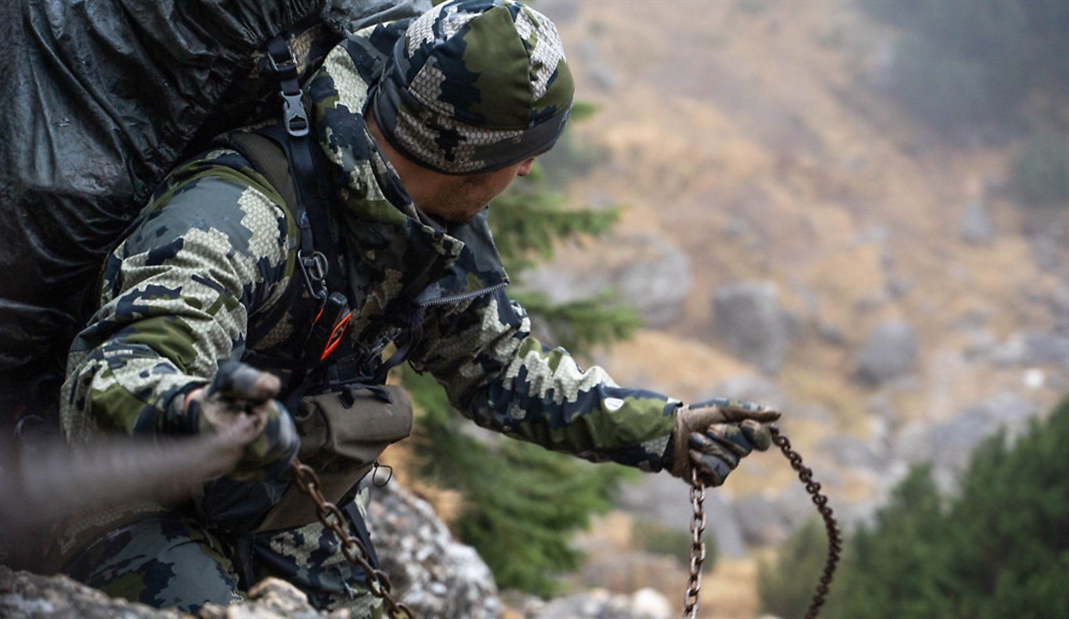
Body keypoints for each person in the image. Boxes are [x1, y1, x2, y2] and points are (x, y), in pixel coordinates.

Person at [55, 0, 781, 615]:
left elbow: (498, 368)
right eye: (523, 152)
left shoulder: (424, 229)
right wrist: (195, 409)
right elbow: (115, 369)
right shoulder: (237, 214)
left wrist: (668, 432)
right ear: (466, 154)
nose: (529, 171)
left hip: (273, 506)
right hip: (130, 501)